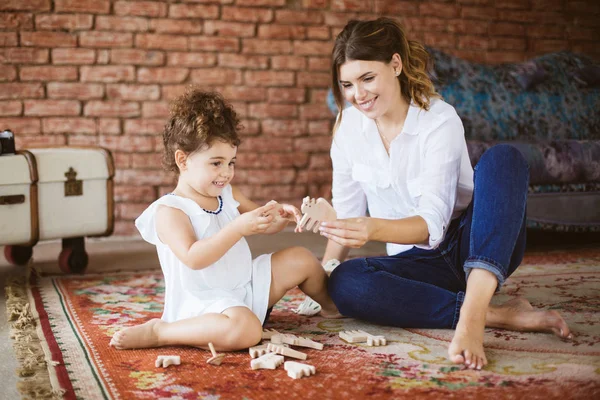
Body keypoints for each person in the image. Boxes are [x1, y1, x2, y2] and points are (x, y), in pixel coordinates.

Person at [320, 17, 572, 370]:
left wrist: (372, 227)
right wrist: (325, 271)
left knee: (504, 159)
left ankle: (471, 318)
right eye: (347, 83)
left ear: (395, 65)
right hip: (415, 264)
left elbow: (431, 224)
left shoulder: (439, 120)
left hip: (475, 244)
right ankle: (500, 314)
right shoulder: (347, 126)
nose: (357, 95)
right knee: (346, 282)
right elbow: (345, 209)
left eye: (367, 78)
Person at [110, 89, 340, 352]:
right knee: (246, 330)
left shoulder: (227, 194)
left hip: (245, 288)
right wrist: (237, 227)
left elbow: (262, 221)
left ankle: (333, 308)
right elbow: (194, 257)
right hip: (204, 305)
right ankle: (162, 331)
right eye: (216, 163)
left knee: (301, 258)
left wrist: (281, 217)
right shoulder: (170, 211)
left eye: (231, 162)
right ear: (183, 160)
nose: (226, 173)